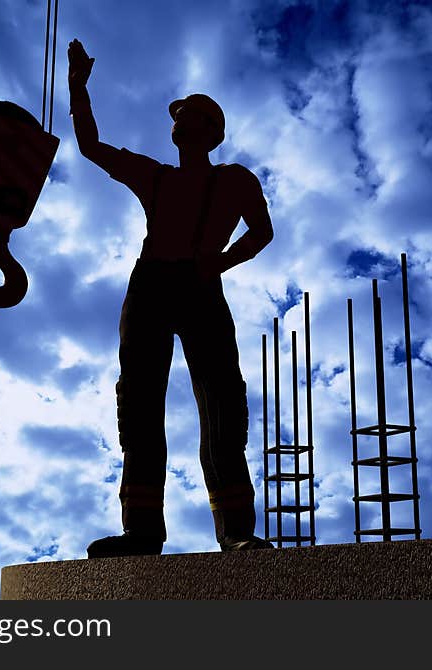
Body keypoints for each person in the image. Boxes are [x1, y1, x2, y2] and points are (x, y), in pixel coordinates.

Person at [67, 38, 275, 557]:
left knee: (223, 406)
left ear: (213, 132)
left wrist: (218, 262)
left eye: (193, 115)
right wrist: (77, 89)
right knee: (138, 405)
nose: (180, 120)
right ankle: (141, 533)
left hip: (202, 288)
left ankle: (237, 534)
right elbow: (92, 148)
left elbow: (261, 232)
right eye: (178, 115)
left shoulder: (235, 180)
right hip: (152, 286)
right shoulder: (155, 176)